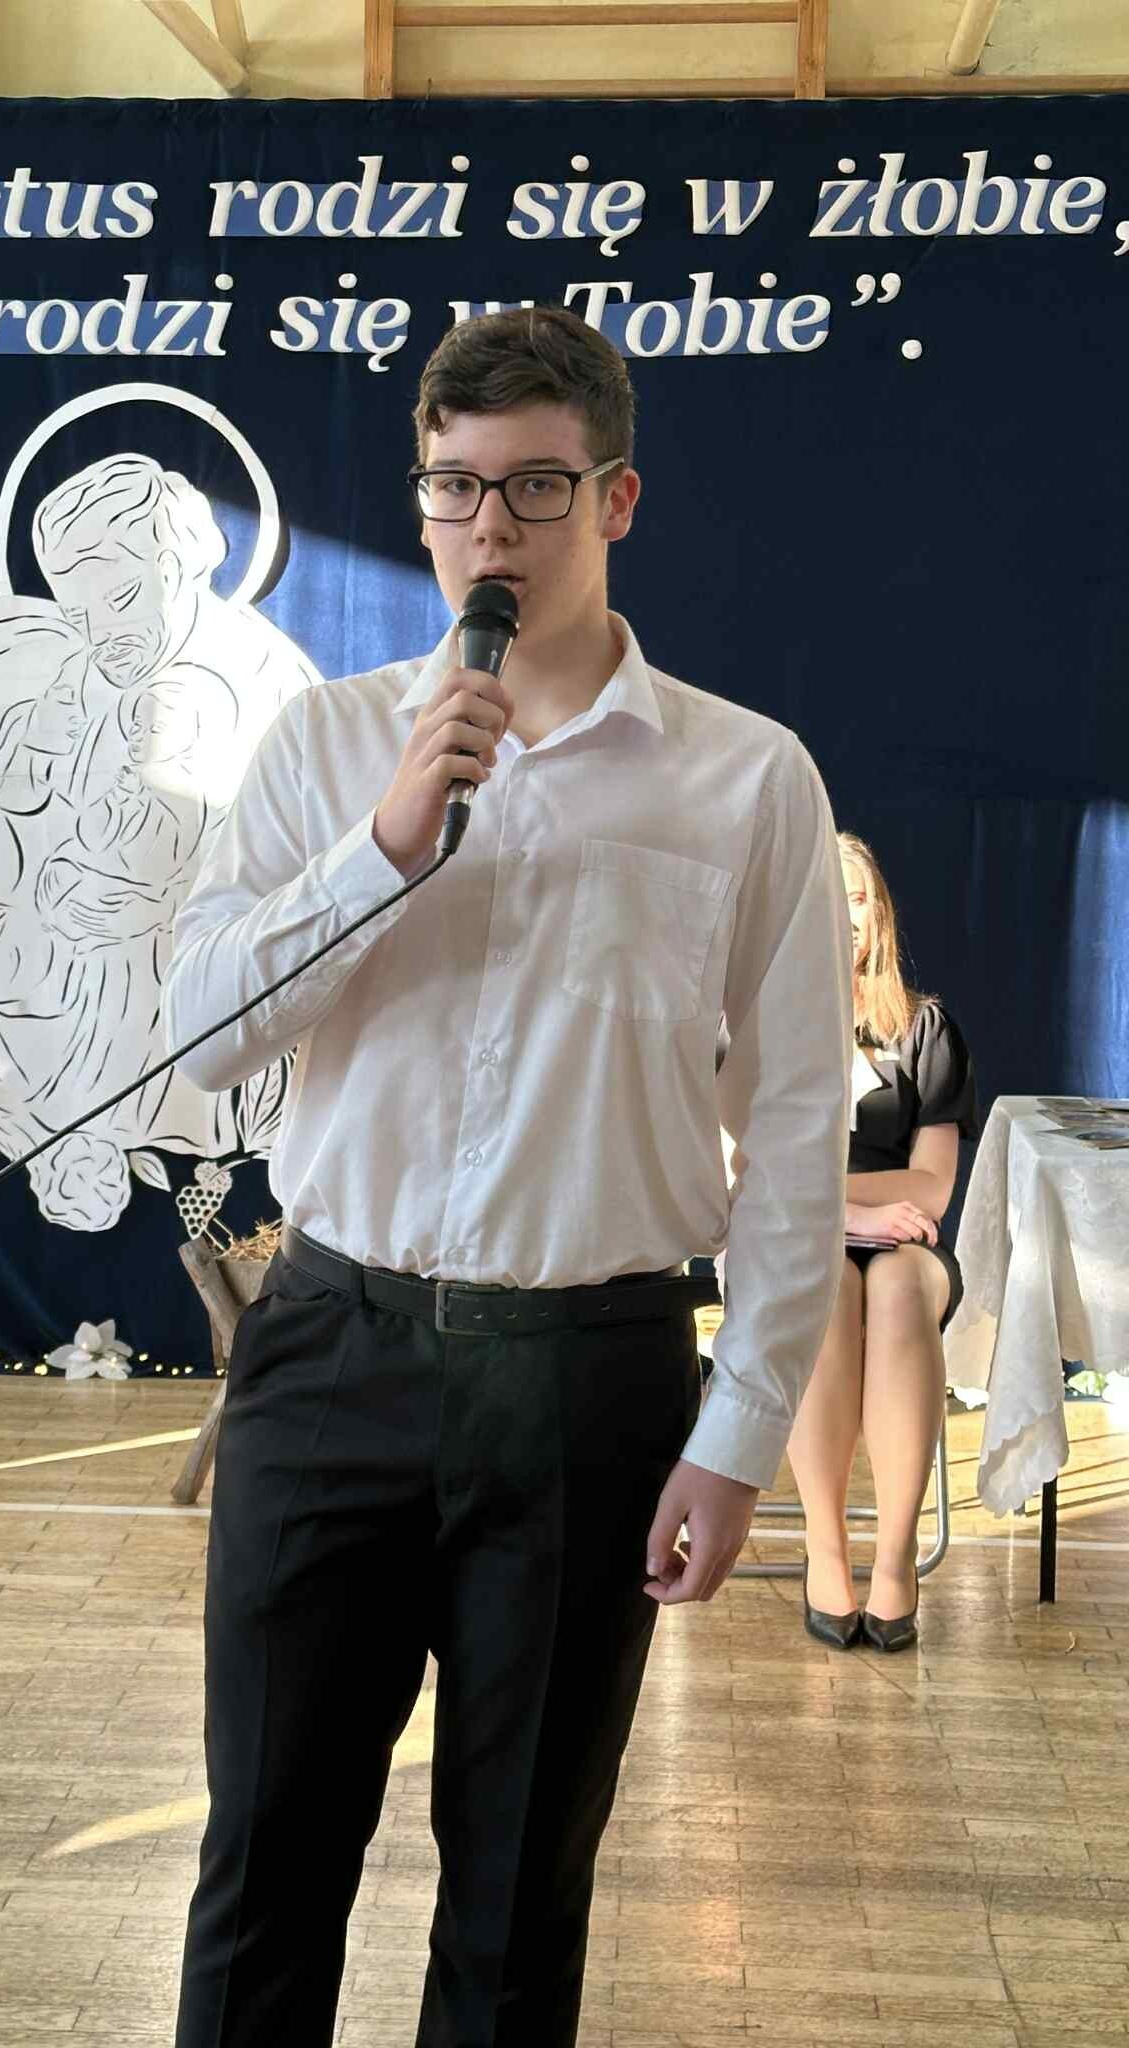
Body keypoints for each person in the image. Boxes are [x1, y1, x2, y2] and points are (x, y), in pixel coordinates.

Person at [162, 304, 853, 2048]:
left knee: (518, 1896)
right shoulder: (331, 748)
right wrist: (386, 844)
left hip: (589, 1379)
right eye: (456, 487)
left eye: (538, 486)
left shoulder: (745, 777)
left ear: (616, 499)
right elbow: (200, 1038)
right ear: (421, 505)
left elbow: (794, 1131)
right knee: (264, 1866)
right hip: (333, 1350)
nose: (493, 528)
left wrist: (741, 1429)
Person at [790, 831, 978, 1654]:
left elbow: (930, 1188)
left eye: (858, 897)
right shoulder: (759, 1022)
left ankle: (895, 1557)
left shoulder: (927, 1029)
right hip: (793, 1239)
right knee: (825, 1285)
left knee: (897, 1286)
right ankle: (825, 1549)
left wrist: (842, 1206)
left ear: (881, 915)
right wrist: (841, 1216)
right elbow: (741, 1179)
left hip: (905, 1242)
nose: (845, 914)